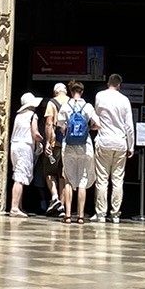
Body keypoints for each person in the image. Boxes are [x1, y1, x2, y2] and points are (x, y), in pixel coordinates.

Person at [91, 74, 135, 223]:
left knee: (102, 179)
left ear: (107, 83)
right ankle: (115, 214)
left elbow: (97, 116)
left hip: (104, 140)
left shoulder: (99, 96)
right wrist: (131, 145)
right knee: (117, 179)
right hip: (120, 142)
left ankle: (101, 213)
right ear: (119, 85)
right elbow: (129, 125)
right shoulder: (124, 100)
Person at [58, 79, 98, 223]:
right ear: (82, 92)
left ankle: (68, 215)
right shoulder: (87, 106)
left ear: (70, 91)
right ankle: (81, 216)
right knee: (83, 180)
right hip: (84, 146)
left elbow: (61, 126)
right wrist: (89, 128)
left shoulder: (65, 106)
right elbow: (97, 124)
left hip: (68, 146)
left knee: (68, 179)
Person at [9, 93, 42, 215]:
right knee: (20, 178)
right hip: (25, 146)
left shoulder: (18, 116)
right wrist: (42, 140)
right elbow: (35, 133)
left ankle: (19, 206)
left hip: (15, 146)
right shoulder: (33, 115)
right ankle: (14, 208)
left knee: (18, 174)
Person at [40, 82, 67, 214]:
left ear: (55, 92)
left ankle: (55, 197)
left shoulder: (52, 103)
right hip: (70, 145)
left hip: (56, 144)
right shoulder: (73, 102)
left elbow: (49, 123)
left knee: (49, 172)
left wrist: (48, 142)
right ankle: (62, 206)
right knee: (63, 175)